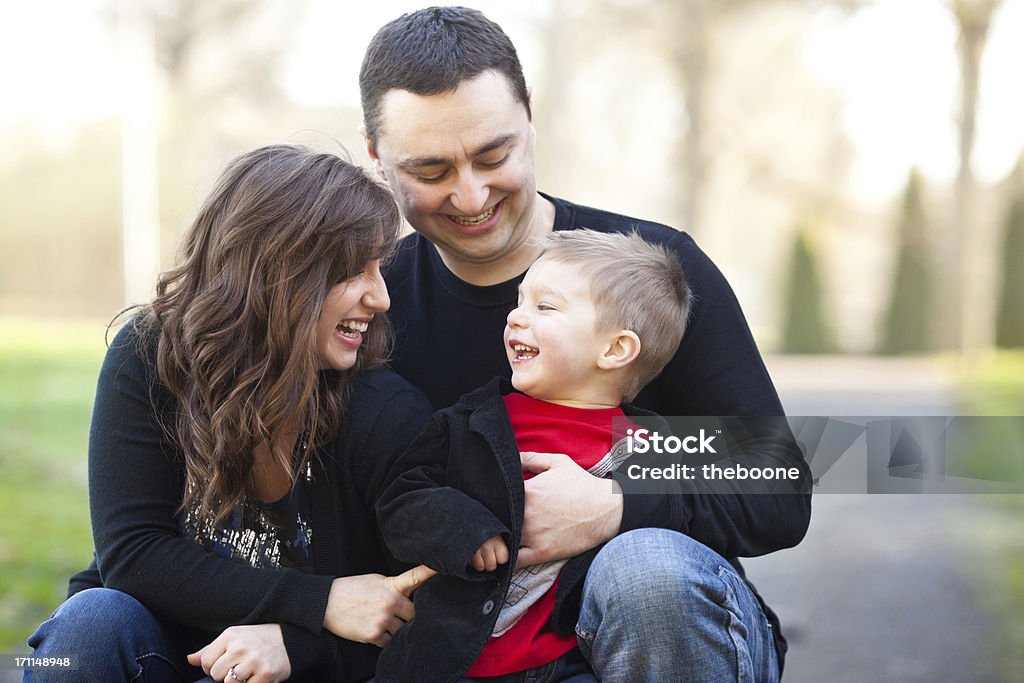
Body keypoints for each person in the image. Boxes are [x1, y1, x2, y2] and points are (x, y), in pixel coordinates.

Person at [359, 7, 813, 681]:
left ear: (530, 115)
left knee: (644, 569)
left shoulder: (650, 276)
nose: (471, 193)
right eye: (431, 170)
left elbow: (774, 479)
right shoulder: (370, 306)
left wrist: (617, 503)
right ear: (377, 156)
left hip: (656, 633)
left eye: (494, 155)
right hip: (466, 648)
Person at [25, 144, 436, 683]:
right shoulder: (150, 359)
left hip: (291, 672)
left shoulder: (383, 414)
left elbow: (417, 619)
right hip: (159, 652)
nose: (381, 298)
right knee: (86, 626)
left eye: (378, 269)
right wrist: (320, 600)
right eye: (353, 273)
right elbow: (133, 554)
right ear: (280, 271)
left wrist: (298, 645)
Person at [374, 230, 696, 682]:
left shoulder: (651, 445)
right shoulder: (470, 421)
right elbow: (401, 499)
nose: (515, 317)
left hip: (570, 666)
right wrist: (463, 528)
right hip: (449, 661)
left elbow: (689, 524)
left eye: (545, 307)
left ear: (615, 349)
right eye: (519, 300)